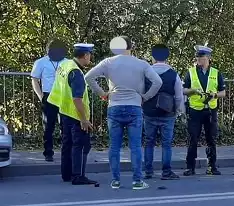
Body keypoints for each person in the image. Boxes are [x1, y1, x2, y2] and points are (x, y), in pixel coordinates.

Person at [84, 36, 162, 190]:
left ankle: (115, 180)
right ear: (131, 47)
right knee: (135, 146)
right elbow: (158, 82)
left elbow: (88, 77)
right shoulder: (141, 64)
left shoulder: (108, 62)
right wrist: (145, 97)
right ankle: (137, 181)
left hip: (114, 107)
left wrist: (103, 93)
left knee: (114, 147)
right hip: (134, 107)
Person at [47, 43, 97, 185]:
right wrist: (84, 119)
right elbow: (77, 99)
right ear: (85, 55)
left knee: (67, 144)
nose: (90, 58)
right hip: (75, 115)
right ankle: (78, 176)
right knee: (81, 146)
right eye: (90, 55)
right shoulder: (77, 73)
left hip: (64, 111)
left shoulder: (65, 64)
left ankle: (67, 174)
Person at [182, 45, 227, 176]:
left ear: (207, 58)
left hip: (210, 110)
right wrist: (193, 91)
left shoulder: (216, 73)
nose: (198, 60)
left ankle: (211, 166)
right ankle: (190, 167)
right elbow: (184, 90)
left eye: (201, 57)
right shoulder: (190, 72)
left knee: (211, 139)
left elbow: (223, 92)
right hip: (195, 110)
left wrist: (215, 95)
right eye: (197, 57)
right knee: (193, 138)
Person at [142, 44, 185, 180]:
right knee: (166, 144)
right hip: (167, 113)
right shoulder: (173, 75)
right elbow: (179, 95)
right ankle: (166, 172)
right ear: (167, 57)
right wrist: (178, 110)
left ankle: (148, 171)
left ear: (153, 57)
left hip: (149, 113)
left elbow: (141, 90)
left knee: (149, 142)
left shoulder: (146, 73)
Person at [31, 39, 68, 162]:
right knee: (48, 126)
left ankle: (66, 152)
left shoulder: (67, 62)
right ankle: (48, 153)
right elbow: (35, 79)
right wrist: (41, 96)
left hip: (63, 96)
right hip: (48, 96)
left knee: (65, 125)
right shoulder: (41, 62)